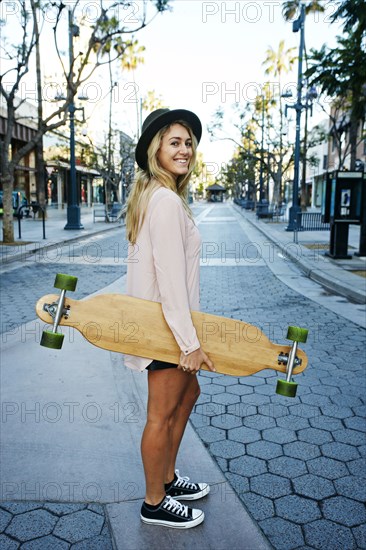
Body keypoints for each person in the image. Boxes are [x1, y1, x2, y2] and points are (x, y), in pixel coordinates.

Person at [125, 108, 216, 529]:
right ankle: (154, 501)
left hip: (170, 324)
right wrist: (189, 341)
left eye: (189, 142)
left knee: (188, 393)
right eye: (175, 142)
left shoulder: (162, 196)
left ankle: (166, 477)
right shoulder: (163, 200)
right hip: (166, 328)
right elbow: (170, 279)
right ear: (155, 149)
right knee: (160, 414)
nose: (185, 149)